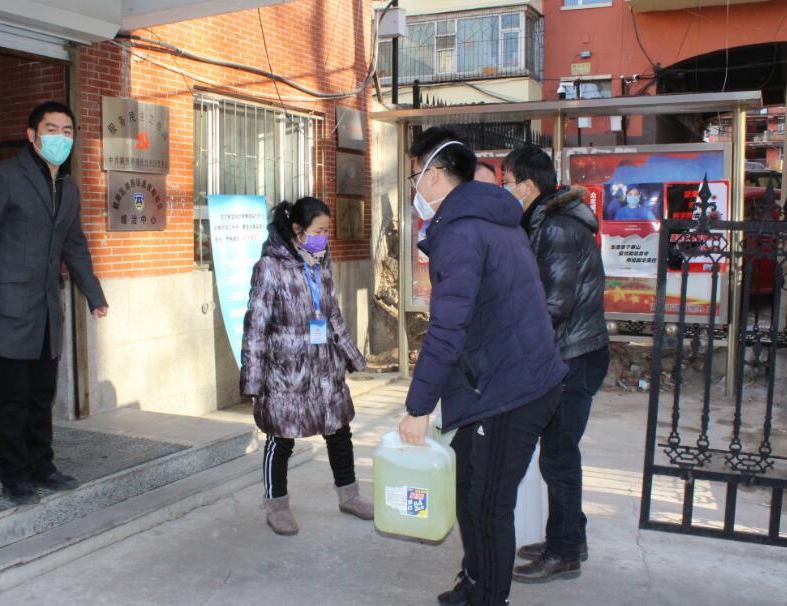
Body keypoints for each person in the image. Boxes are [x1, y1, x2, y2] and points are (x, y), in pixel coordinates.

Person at [397, 127, 568, 606]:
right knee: (467, 482)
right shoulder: (488, 218)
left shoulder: (462, 231)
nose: (415, 187)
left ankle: (489, 597)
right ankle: (475, 581)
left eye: (415, 175)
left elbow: (447, 328)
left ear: (434, 174)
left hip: (511, 389)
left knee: (489, 502)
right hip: (501, 377)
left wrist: (418, 408)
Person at [0, 101, 109, 506]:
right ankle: (15, 476)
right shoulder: (4, 177)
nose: (60, 137)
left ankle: (42, 466)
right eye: (51, 129)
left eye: (67, 131)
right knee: (13, 398)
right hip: (5, 309)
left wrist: (93, 294)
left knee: (41, 395)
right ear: (32, 135)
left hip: (47, 310)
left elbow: (74, 245)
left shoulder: (68, 187)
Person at [502, 145, 610, 583]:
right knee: (559, 454)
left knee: (559, 458)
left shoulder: (558, 228)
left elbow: (552, 305)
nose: (506, 190)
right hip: (571, 352)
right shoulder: (547, 221)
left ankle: (563, 552)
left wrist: (511, 343)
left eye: (508, 183)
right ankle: (570, 536)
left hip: (572, 356)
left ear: (528, 186)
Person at [241, 196, 372, 536]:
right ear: (297, 229)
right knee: (281, 438)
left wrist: (352, 356)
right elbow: (255, 325)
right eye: (318, 231)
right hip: (286, 370)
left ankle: (349, 495)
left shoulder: (322, 263)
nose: (323, 238)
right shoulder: (270, 267)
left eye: (327, 231)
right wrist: (253, 380)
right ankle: (276, 505)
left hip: (324, 366)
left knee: (339, 431)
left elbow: (332, 315)